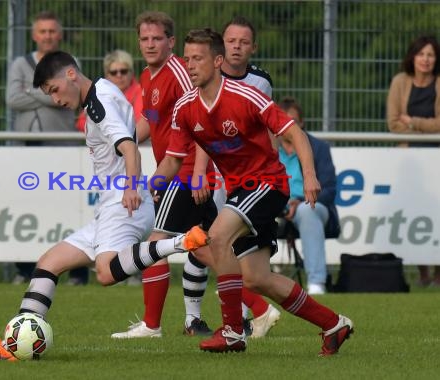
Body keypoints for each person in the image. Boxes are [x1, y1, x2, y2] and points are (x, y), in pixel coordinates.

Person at [0, 50, 210, 361]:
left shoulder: (99, 106)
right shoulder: (103, 90)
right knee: (49, 262)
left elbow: (129, 148)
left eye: (54, 90)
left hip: (122, 204)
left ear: (71, 74)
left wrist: (130, 188)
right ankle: (15, 343)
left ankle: (179, 242)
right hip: (111, 204)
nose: (56, 100)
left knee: (106, 273)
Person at [151, 28, 353, 355]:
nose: (189, 65)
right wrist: (151, 185)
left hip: (268, 183)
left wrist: (310, 174)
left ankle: (232, 331)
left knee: (215, 239)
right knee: (258, 279)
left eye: (197, 58)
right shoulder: (185, 108)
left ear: (217, 61)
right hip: (239, 192)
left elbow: (294, 132)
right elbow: (173, 161)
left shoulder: (246, 96)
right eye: (187, 58)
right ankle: (333, 324)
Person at [111, 10, 217, 339]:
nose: (150, 44)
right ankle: (259, 306)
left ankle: (152, 325)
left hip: (184, 172)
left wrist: (198, 171)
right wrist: (122, 142)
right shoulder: (147, 75)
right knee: (204, 248)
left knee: (156, 243)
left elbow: (203, 120)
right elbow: (152, 121)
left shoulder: (179, 73)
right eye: (144, 39)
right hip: (174, 170)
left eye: (157, 38)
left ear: (171, 42)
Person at [6, 11, 79, 285]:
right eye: (42, 31)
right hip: (26, 147)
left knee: (66, 207)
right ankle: (24, 269)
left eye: (52, 31)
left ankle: (75, 271)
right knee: (25, 206)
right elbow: (12, 98)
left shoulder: (69, 63)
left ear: (59, 34)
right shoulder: (20, 63)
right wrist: (50, 92)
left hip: (62, 144)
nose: (47, 36)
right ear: (34, 35)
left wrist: (31, 90)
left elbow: (71, 93)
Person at [220, 15, 281, 339]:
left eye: (244, 42)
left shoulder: (261, 81)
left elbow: (271, 128)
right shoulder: (209, 77)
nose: (237, 47)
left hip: (249, 178)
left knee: (220, 244)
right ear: (222, 43)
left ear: (253, 47)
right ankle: (238, 316)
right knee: (209, 243)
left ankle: (244, 317)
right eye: (231, 41)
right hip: (217, 174)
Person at [386, 34, 440, 287]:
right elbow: (394, 122)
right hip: (409, 159)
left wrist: (414, 122)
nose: (426, 59)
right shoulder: (400, 81)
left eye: (430, 54)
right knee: (414, 210)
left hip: (435, 156)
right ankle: (423, 272)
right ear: (413, 57)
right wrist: (425, 129)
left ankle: (438, 272)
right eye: (421, 54)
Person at [277, 96, 340, 295]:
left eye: (293, 122)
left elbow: (329, 190)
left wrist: (301, 201)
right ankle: (244, 283)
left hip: (312, 205)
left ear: (302, 123)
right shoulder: (267, 147)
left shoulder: (319, 148)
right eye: (283, 121)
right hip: (275, 205)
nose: (288, 127)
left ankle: (316, 283)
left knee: (307, 210)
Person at [76, 49, 143, 132]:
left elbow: (138, 122)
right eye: (114, 72)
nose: (119, 75)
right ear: (107, 75)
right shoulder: (99, 92)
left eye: (123, 71)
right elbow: (81, 122)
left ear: (131, 73)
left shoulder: (140, 92)